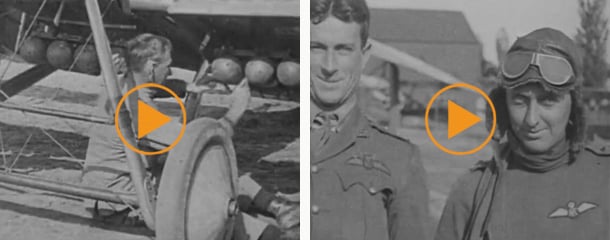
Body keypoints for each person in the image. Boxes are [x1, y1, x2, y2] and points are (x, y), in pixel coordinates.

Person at [81, 33, 298, 239]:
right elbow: (203, 143)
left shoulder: (119, 86)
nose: (171, 72)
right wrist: (236, 111)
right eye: (168, 66)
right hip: (121, 203)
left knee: (211, 178)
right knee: (213, 196)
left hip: (107, 188)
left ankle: (280, 208)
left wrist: (188, 87)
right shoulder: (142, 115)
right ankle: (270, 235)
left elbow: (154, 87)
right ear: (151, 67)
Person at [435, 28, 610, 240]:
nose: (531, 120)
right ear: (504, 107)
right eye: (519, 101)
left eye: (548, 100)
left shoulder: (604, 175)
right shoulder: (472, 191)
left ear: (573, 105)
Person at [310, 0, 430, 239]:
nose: (329, 66)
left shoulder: (399, 158)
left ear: (364, 56)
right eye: (316, 48)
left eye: (343, 49)